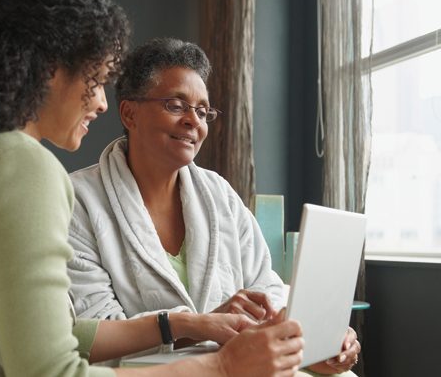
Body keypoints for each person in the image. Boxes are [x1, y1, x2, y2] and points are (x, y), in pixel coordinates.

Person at [0, 0, 305, 377]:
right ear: (49, 69)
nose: (100, 102)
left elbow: (49, 336)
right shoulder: (22, 166)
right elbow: (51, 371)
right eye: (94, 80)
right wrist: (224, 367)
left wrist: (188, 324)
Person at [67, 37, 360, 375]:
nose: (194, 121)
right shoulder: (79, 201)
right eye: (176, 105)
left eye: (203, 111)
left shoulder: (219, 194)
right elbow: (95, 333)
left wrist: (311, 343)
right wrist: (198, 325)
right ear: (130, 113)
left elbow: (267, 290)